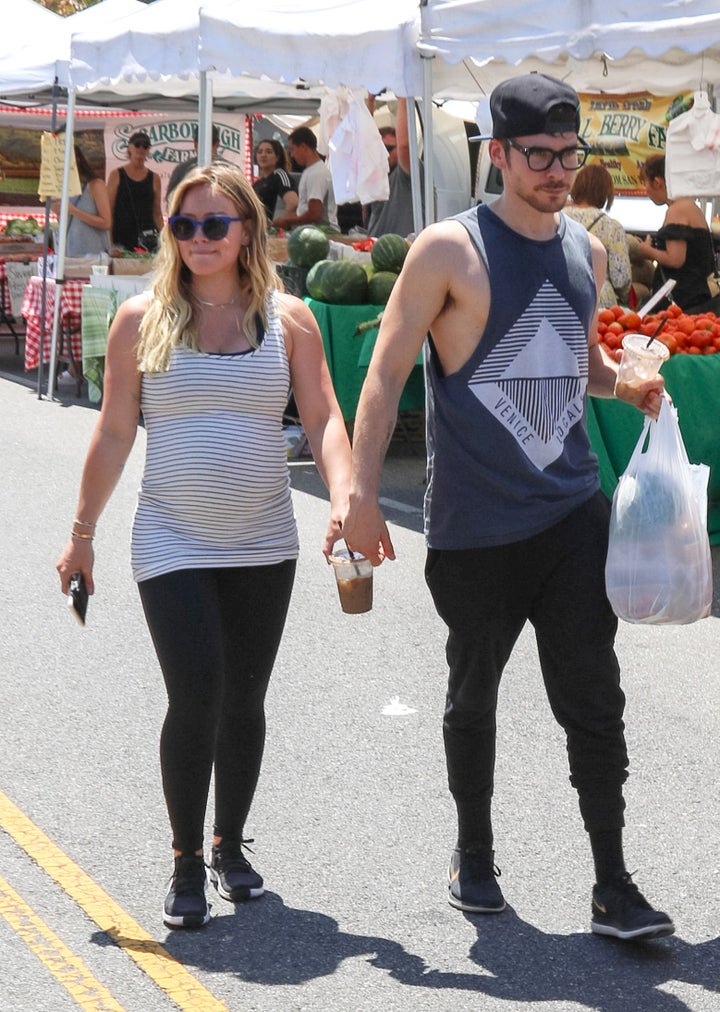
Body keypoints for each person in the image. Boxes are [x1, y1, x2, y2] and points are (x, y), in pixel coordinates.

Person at [341, 72, 674, 943]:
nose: (558, 171)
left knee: (594, 701)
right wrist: (361, 494)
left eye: (570, 155)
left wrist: (623, 384)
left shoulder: (586, 252)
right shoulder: (449, 250)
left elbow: (570, 365)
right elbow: (384, 376)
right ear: (498, 154)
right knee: (472, 697)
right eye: (539, 155)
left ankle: (612, 882)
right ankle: (475, 852)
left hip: (571, 516)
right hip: (476, 529)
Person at [56, 163, 351, 930]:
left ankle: (228, 844)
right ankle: (186, 858)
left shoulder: (288, 320)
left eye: (214, 224)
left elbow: (322, 419)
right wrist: (82, 535)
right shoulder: (141, 318)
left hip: (262, 540)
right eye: (183, 226)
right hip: (171, 539)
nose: (197, 239)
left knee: (245, 699)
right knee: (198, 692)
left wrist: (347, 497)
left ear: (248, 229)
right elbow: (116, 431)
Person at [635, 153, 719, 313]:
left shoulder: (677, 210)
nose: (645, 189)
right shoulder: (690, 207)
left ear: (657, 182)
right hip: (695, 298)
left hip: (684, 303)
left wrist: (647, 251)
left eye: (645, 181)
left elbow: (675, 259)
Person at [563, 163, 632, 309]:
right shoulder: (612, 228)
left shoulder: (556, 218)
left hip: (561, 296)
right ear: (606, 193)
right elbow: (621, 279)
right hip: (600, 301)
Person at [364, 97, 417, 238]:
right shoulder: (376, 173)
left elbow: (404, 146)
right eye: (381, 149)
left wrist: (403, 98)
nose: (384, 153)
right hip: (375, 249)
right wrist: (369, 101)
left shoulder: (407, 173)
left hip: (402, 252)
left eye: (389, 148)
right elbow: (365, 143)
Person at [272, 126, 338, 232]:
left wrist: (287, 221)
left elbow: (314, 214)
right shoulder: (311, 171)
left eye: (293, 149)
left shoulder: (317, 173)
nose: (292, 155)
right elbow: (305, 210)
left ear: (303, 147)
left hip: (322, 232)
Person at [107, 130, 163, 252]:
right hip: (120, 239)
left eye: (145, 146)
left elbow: (157, 213)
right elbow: (108, 211)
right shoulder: (116, 175)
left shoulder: (154, 178)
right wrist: (109, 242)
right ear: (129, 148)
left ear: (148, 150)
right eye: (137, 144)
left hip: (148, 241)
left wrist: (166, 241)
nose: (141, 148)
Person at [53, 145, 111, 257]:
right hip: (70, 255)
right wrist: (60, 213)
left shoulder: (95, 185)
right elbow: (70, 223)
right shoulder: (65, 189)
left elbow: (106, 222)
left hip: (94, 257)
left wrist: (74, 211)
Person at [166, 124, 221, 207]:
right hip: (222, 218)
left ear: (195, 143)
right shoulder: (231, 170)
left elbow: (170, 202)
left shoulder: (181, 170)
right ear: (218, 144)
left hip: (191, 218)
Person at [253, 138, 298, 224]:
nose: (263, 155)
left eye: (269, 152)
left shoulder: (280, 176)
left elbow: (293, 202)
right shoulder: (257, 183)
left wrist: (280, 226)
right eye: (260, 152)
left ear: (277, 157)